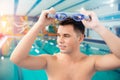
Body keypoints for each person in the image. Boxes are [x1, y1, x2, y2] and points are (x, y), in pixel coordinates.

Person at [10, 8, 120, 80]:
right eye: (58, 35)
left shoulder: (91, 62)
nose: (60, 40)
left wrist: (97, 27)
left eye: (66, 36)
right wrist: (39, 24)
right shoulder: (49, 61)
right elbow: (16, 59)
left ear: (80, 38)